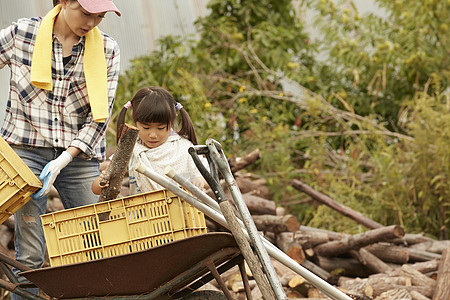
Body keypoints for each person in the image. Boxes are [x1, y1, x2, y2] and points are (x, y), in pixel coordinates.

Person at [0, 0, 121, 296]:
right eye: (86, 13)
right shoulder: (22, 33)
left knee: (93, 245)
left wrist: (65, 158)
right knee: (28, 253)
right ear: (64, 2)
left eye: (100, 16)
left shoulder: (107, 49)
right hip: (25, 153)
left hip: (78, 158)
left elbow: (100, 117)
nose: (92, 23)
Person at [92, 86, 206, 196]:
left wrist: (198, 181)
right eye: (146, 128)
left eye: (160, 128)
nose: (152, 135)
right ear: (135, 120)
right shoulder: (131, 149)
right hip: (143, 213)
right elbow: (97, 189)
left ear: (172, 121)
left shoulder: (182, 148)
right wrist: (101, 181)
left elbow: (205, 176)